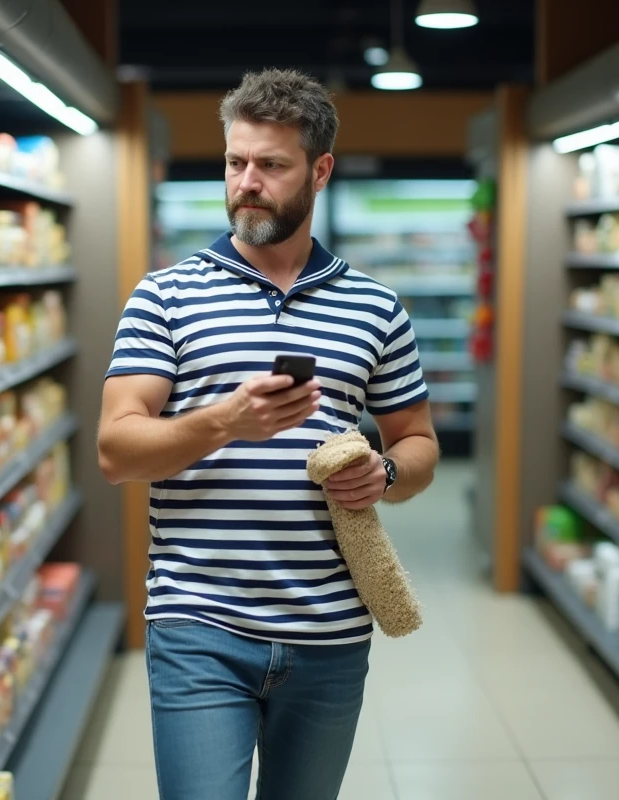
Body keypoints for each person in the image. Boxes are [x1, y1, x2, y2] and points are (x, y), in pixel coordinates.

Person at [96, 68, 439, 800]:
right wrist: (226, 421)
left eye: (271, 165)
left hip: (331, 630)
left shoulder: (375, 307)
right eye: (234, 162)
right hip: (199, 623)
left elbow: (419, 443)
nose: (247, 181)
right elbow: (116, 450)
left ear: (320, 171)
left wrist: (387, 473)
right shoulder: (165, 296)